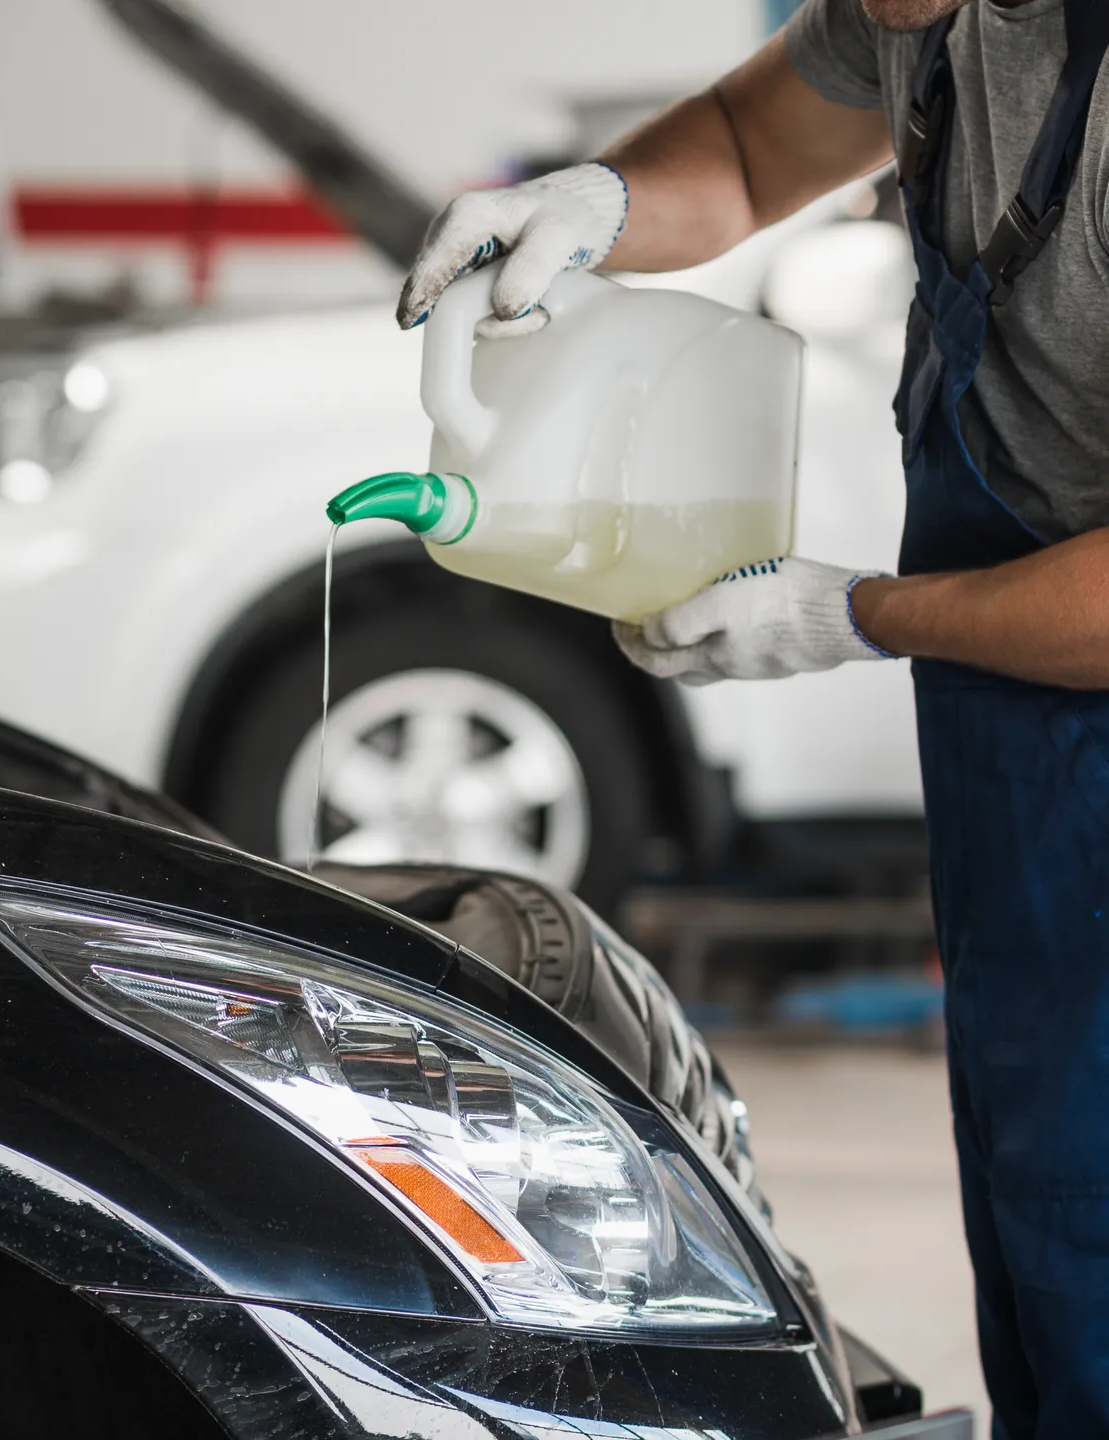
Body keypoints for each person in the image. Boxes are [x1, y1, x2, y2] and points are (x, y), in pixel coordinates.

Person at [399, 2, 1109, 1434]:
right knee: (1041, 1229)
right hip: (1016, 746)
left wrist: (852, 614)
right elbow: (739, 147)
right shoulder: (924, 12)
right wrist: (595, 205)